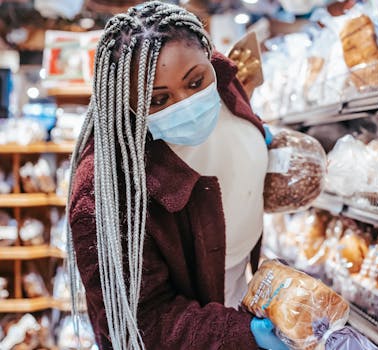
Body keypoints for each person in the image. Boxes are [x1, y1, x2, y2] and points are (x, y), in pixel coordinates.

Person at [66, 2, 287, 349]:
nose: (186, 103)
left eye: (196, 82)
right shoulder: (103, 193)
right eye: (157, 100)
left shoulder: (223, 79)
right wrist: (244, 335)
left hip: (238, 287)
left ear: (209, 57)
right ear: (126, 102)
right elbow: (143, 322)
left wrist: (256, 139)